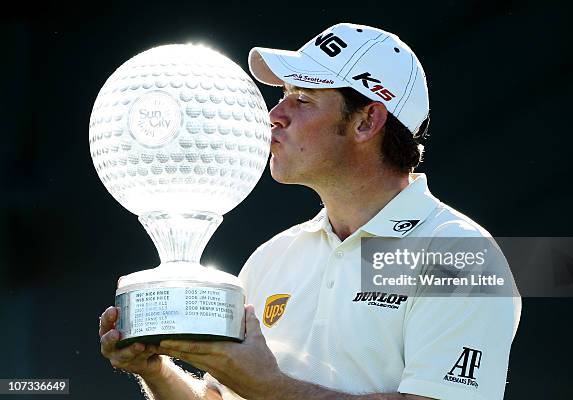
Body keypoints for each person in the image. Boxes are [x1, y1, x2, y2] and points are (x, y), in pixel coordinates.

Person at [99, 23, 521, 400]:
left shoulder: (459, 254)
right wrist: (155, 372)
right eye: (281, 96)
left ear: (366, 121)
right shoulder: (272, 257)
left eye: (302, 99)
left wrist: (267, 388)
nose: (273, 116)